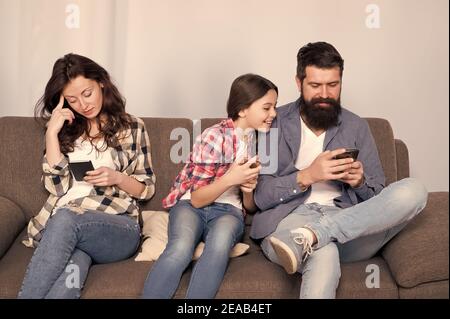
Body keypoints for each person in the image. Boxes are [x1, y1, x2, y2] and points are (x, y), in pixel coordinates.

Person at [251, 42, 428, 299]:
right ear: (299, 83)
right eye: (315, 86)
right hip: (290, 222)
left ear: (341, 82)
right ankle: (310, 237)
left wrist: (359, 183)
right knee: (323, 251)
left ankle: (315, 234)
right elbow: (259, 197)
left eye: (333, 85)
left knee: (415, 190)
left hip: (349, 225)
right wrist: (307, 176)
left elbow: (379, 198)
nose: (325, 94)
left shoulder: (357, 126)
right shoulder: (272, 122)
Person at [18, 53, 156, 298]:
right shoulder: (64, 131)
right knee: (72, 272)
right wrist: (52, 134)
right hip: (67, 228)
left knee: (66, 218)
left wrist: (117, 178)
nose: (83, 104)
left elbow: (146, 189)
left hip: (116, 227)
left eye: (87, 93)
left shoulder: (133, 127)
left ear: (101, 82)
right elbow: (56, 188)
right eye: (72, 99)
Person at [142, 73, 277, 299]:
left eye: (274, 107)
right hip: (191, 206)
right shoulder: (214, 136)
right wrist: (231, 179)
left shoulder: (258, 140)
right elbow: (196, 198)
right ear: (243, 109)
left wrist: (248, 191)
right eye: (267, 108)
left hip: (229, 212)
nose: (273, 114)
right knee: (180, 249)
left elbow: (250, 207)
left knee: (218, 249)